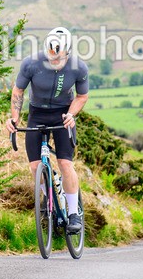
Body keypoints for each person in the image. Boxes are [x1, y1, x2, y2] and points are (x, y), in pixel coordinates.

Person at [5, 27, 89, 233]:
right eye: (51, 56)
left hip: (62, 115)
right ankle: (47, 200)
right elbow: (18, 91)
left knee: (65, 163)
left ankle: (73, 214)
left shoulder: (79, 67)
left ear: (67, 51)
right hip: (37, 113)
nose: (54, 60)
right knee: (35, 167)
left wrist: (71, 114)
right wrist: (15, 118)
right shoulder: (31, 63)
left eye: (58, 57)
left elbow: (81, 96)